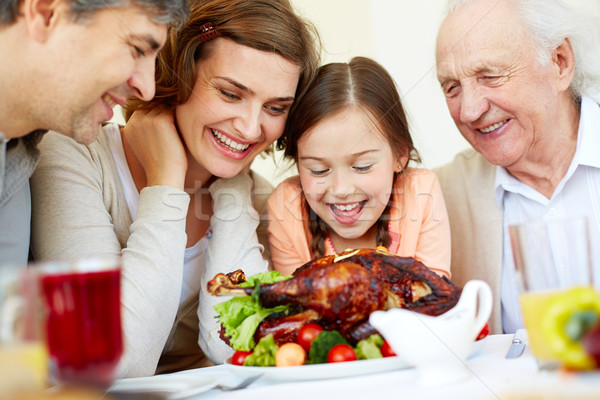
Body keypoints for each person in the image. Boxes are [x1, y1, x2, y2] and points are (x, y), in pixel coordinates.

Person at [30, 0, 320, 377]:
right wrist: (166, 179)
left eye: (275, 108)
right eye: (231, 94)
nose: (250, 129)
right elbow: (117, 360)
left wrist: (232, 187)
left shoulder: (260, 201)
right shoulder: (72, 157)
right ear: (179, 71)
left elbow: (241, 351)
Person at [433, 0, 600, 334]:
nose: (469, 110)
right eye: (452, 87)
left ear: (560, 62)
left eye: (490, 76)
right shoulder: (436, 198)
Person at [0, 0, 188, 264]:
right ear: (46, 14)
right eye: (136, 50)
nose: (148, 89)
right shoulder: (63, 153)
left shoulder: (18, 150)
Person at [267, 57, 451, 278]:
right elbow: (290, 302)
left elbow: (433, 294)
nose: (341, 189)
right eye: (318, 170)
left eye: (362, 167)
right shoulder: (285, 207)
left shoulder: (420, 192)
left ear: (400, 155)